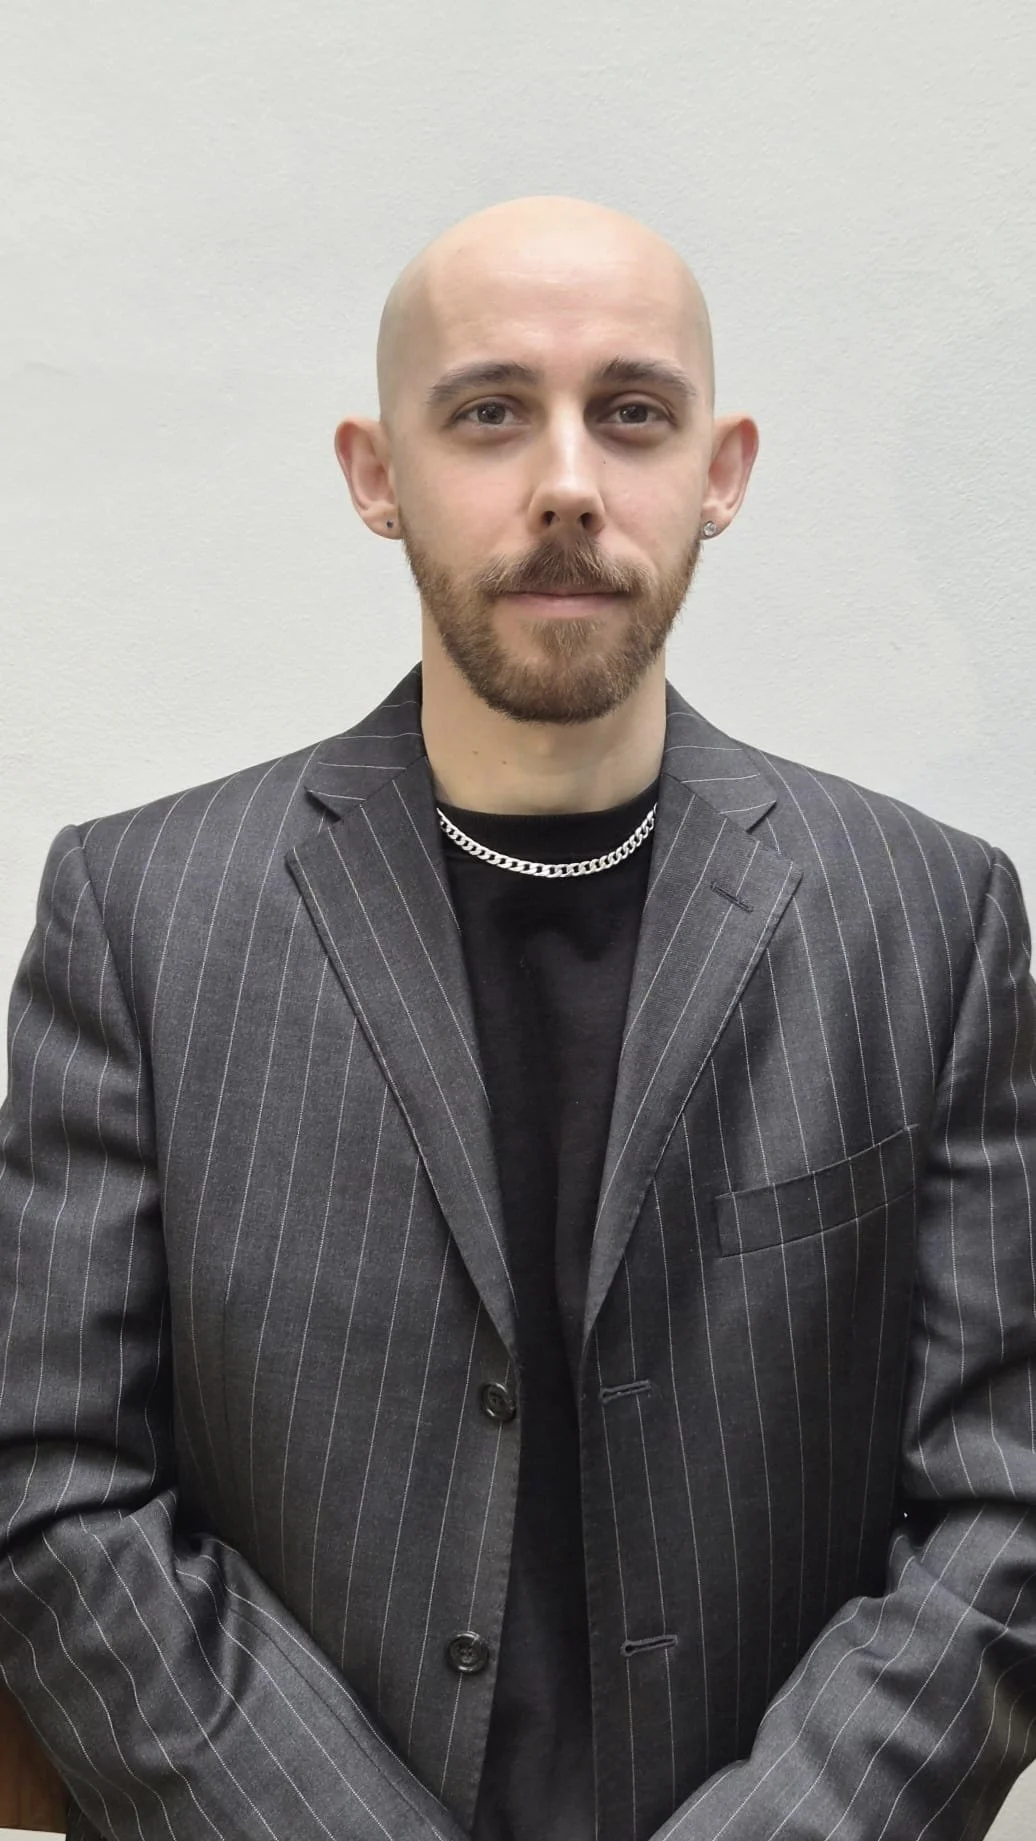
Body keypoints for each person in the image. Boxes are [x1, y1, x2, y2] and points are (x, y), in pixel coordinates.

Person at [0, 193, 1034, 1841]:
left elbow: (1002, 1499)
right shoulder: (140, 918)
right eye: (489, 413)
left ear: (723, 470)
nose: (566, 480)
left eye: (633, 413)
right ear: (375, 472)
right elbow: (51, 1486)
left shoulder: (930, 920)